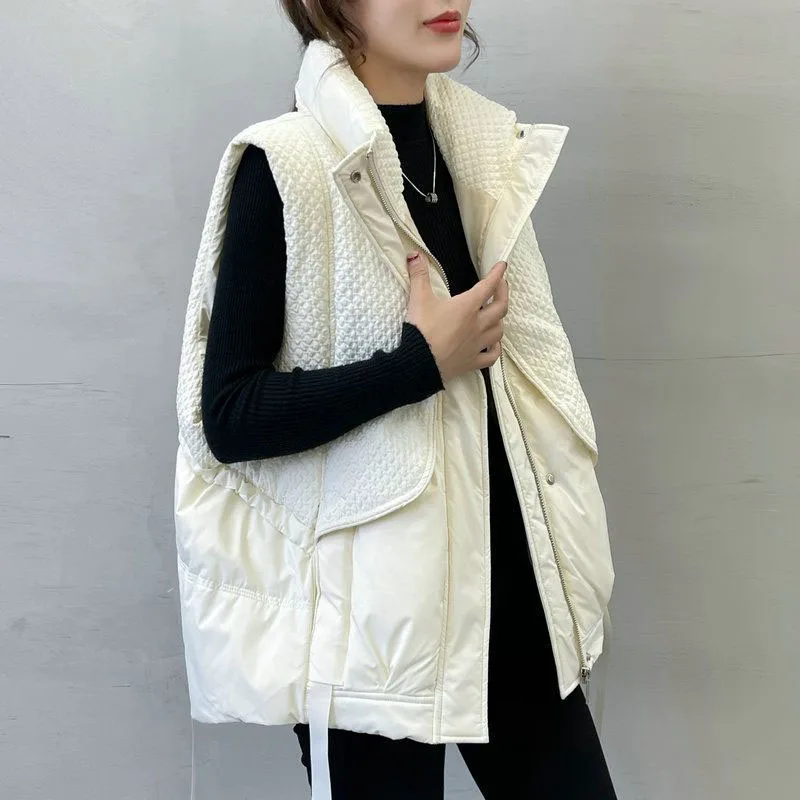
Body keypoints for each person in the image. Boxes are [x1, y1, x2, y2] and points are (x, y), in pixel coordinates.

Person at [174, 2, 617, 798]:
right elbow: (229, 417)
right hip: (369, 641)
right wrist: (418, 365)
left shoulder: (481, 154)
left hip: (515, 608)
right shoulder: (285, 164)